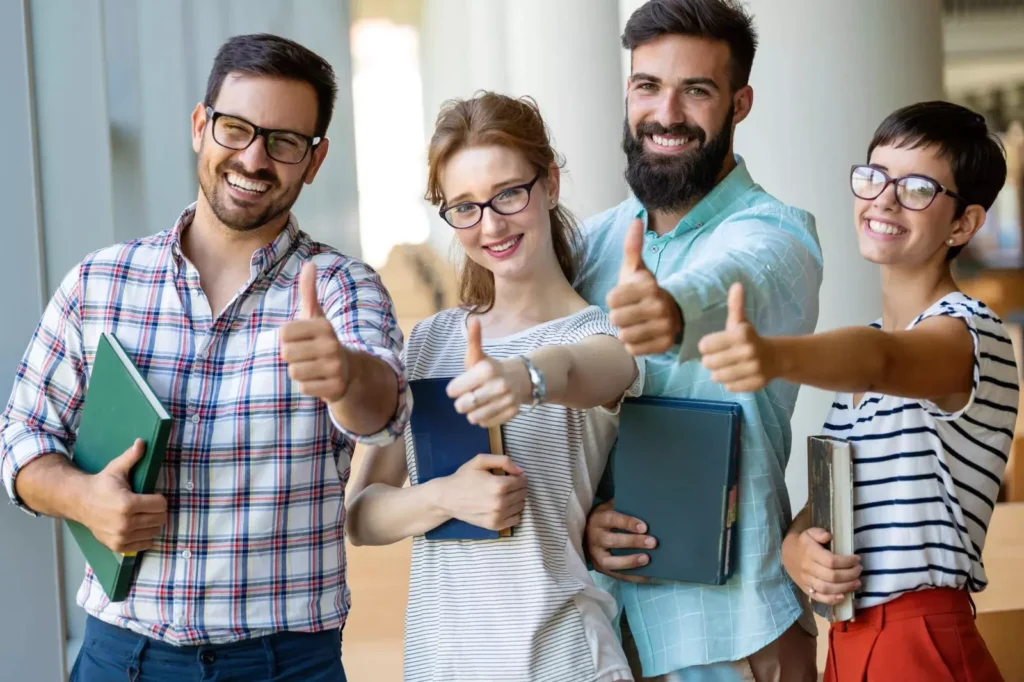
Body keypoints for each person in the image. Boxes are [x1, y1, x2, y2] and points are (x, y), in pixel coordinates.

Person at [0, 33, 408, 682]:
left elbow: (382, 412)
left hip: (283, 665)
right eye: (236, 129)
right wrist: (82, 498)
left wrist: (345, 375)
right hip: (119, 655)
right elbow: (20, 435)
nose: (254, 158)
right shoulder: (100, 282)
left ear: (316, 158)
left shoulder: (341, 288)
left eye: (284, 142)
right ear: (200, 125)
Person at [700, 101, 1015, 682]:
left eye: (918, 187)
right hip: (847, 646)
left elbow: (881, 362)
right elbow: (833, 495)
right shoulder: (867, 358)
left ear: (964, 224)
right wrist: (797, 549)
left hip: (921, 642)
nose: (884, 200)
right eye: (874, 176)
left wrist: (772, 355)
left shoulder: (969, 333)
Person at [345, 92, 644, 682]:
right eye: (465, 207)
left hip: (562, 659)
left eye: (509, 193)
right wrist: (444, 498)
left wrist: (524, 377)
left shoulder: (603, 332)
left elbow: (583, 370)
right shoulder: (428, 342)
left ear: (550, 183)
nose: (491, 225)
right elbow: (360, 514)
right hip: (441, 662)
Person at [576, 0, 823, 680]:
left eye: (698, 90)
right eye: (648, 86)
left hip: (736, 634)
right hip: (605, 635)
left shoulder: (780, 235)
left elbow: (732, 280)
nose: (667, 113)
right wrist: (589, 518)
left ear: (739, 103)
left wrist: (671, 310)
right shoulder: (590, 244)